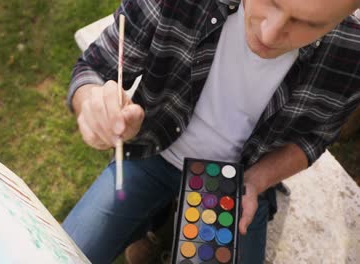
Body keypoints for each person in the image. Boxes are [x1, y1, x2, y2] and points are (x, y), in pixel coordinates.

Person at [63, 0, 360, 263]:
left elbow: (313, 140)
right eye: (271, 2)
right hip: (153, 150)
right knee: (62, 253)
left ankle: (155, 233)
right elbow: (95, 67)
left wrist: (258, 181)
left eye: (308, 23)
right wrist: (91, 101)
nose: (269, 34)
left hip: (232, 179)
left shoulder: (352, 50)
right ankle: (154, 231)